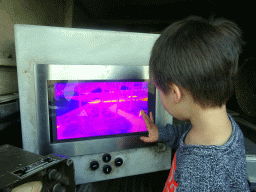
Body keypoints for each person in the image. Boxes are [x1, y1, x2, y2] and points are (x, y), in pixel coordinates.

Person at [140, 15, 250, 191]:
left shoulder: (200, 176)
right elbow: (185, 133)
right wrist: (161, 133)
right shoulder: (221, 125)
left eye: (160, 90)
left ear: (175, 93)